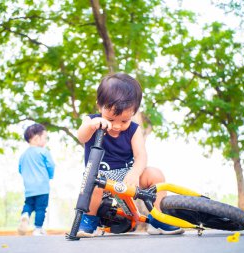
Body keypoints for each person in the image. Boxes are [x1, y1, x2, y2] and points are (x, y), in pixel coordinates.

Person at [76, 72, 184, 238]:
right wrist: (92, 126)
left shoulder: (134, 130)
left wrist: (134, 173)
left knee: (155, 174)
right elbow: (82, 136)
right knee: (94, 182)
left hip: (127, 175)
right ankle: (89, 221)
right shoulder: (91, 121)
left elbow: (141, 156)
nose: (117, 126)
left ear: (133, 112)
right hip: (99, 177)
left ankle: (158, 218)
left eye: (124, 121)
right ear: (100, 106)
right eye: (111, 120)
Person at [17, 123, 55, 236]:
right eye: (45, 138)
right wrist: (50, 176)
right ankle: (38, 229)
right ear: (37, 138)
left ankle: (25, 215)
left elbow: (20, 169)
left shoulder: (23, 155)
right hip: (42, 187)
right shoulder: (43, 151)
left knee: (29, 204)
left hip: (29, 187)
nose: (46, 141)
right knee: (41, 208)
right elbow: (51, 165)